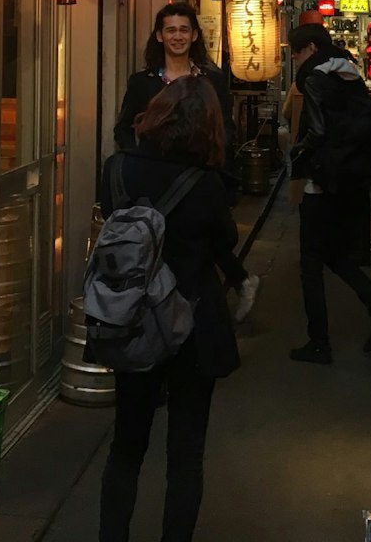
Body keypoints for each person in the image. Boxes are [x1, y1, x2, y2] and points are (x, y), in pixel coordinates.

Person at [97, 76, 241, 542]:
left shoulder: (117, 169)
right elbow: (224, 242)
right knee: (185, 453)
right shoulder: (207, 185)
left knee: (126, 445)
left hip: (132, 320)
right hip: (192, 323)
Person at [114, 3, 258, 322]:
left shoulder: (211, 80)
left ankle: (200, 312)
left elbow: (227, 128)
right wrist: (134, 160)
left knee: (200, 245)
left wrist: (219, 168)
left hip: (198, 178)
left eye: (183, 30)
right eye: (170, 30)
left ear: (194, 35)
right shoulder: (143, 82)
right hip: (155, 179)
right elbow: (123, 128)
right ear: (159, 36)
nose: (177, 36)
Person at [287, 22, 371, 364]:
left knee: (311, 263)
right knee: (336, 257)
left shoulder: (314, 78)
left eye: (296, 52)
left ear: (310, 49)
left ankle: (319, 343)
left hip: (321, 181)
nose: (295, 59)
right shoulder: (351, 76)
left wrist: (297, 152)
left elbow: (318, 130)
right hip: (350, 178)